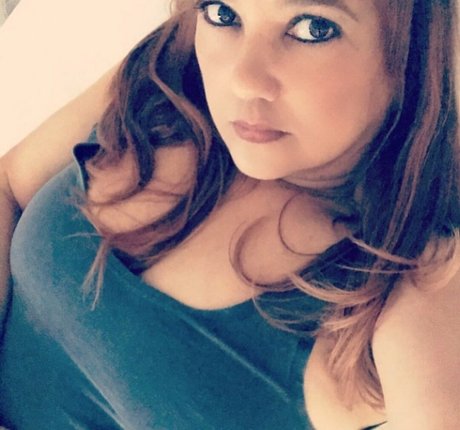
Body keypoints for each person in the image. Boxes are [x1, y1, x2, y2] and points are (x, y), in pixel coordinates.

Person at [0, 0, 459, 428]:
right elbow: (9, 186)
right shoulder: (169, 71)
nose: (243, 78)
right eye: (222, 13)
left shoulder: (414, 276)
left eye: (313, 28)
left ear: (414, 50)